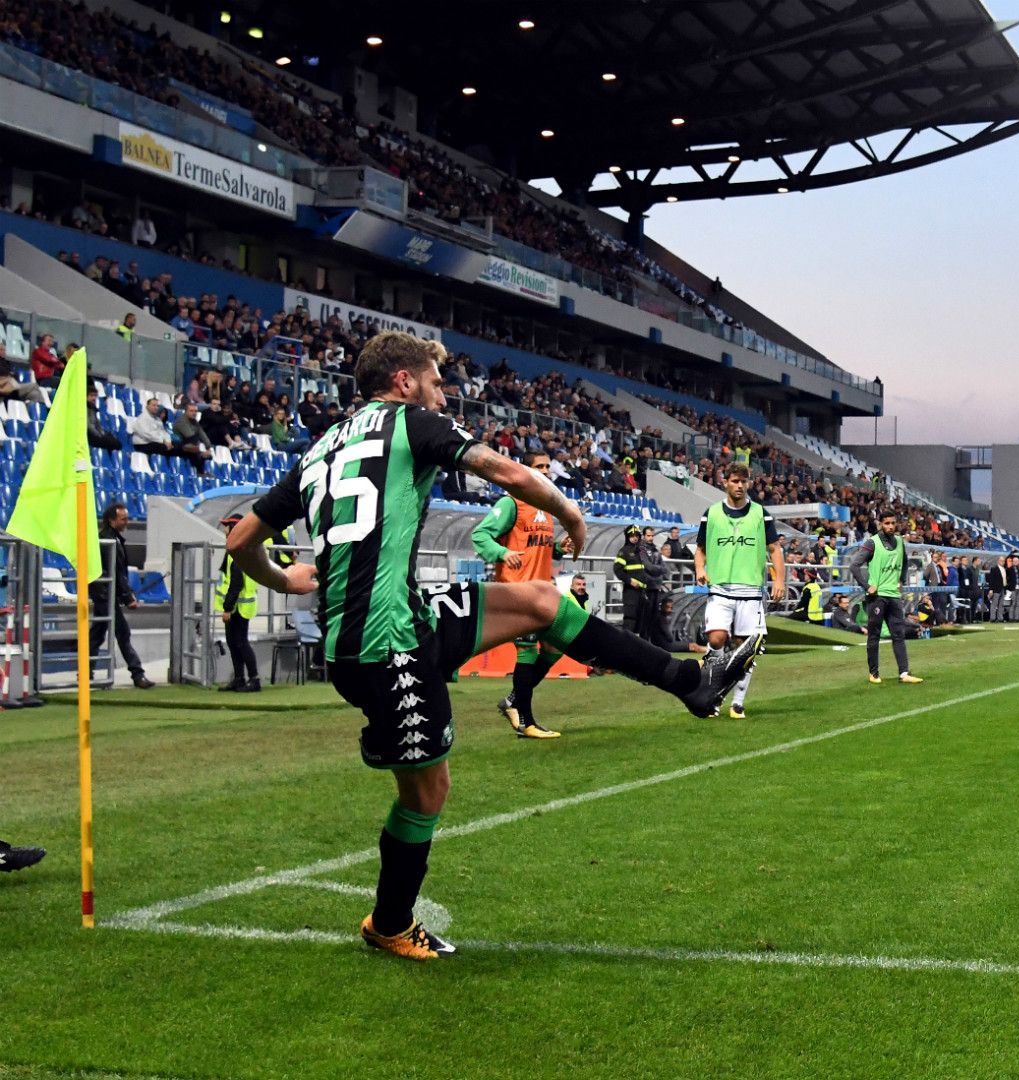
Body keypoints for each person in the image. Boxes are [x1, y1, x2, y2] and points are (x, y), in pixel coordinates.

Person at [226, 331, 759, 961]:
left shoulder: (322, 447)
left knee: (541, 603)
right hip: (382, 647)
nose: (441, 391)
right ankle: (390, 924)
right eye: (434, 379)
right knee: (427, 793)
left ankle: (693, 685)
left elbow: (240, 541)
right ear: (404, 382)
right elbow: (502, 471)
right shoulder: (410, 421)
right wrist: (570, 515)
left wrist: (285, 578)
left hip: (404, 619)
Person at [471, 451, 569, 739]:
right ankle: (526, 722)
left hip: (541, 592)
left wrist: (561, 547)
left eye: (548, 466)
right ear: (525, 470)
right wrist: (502, 552)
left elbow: (541, 547)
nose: (546, 470)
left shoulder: (546, 509)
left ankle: (513, 700)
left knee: (555, 648)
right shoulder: (510, 502)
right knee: (527, 651)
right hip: (517, 592)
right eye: (540, 466)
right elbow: (480, 535)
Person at [692, 461, 785, 719]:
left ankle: (738, 703)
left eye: (743, 481)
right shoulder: (711, 514)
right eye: (735, 481)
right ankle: (713, 694)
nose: (739, 485)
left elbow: (775, 549)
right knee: (716, 639)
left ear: (749, 484)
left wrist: (779, 581)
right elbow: (700, 550)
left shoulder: (760, 513)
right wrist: (700, 569)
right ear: (725, 482)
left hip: (751, 590)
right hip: (720, 588)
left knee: (745, 648)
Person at [846, 509, 921, 684]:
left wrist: (902, 580)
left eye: (893, 523)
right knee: (874, 636)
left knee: (899, 634)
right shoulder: (872, 543)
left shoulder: (900, 542)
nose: (890, 526)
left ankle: (904, 673)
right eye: (886, 523)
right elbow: (854, 566)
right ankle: (874, 673)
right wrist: (867, 586)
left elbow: (904, 563)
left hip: (894, 596)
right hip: (877, 597)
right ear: (880, 524)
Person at [90, 503, 154, 689]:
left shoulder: (113, 539)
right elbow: (116, 572)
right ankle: (137, 674)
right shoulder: (108, 541)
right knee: (122, 633)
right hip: (105, 595)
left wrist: (126, 594)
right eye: (123, 518)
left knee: (97, 634)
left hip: (105, 594)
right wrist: (128, 598)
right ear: (111, 520)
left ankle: (86, 671)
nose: (127, 521)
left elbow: (118, 573)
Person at [216, 514, 262, 692]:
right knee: (234, 642)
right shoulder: (238, 549)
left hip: (239, 607)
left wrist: (228, 607)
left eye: (227, 526)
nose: (224, 530)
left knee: (241, 643)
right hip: (238, 606)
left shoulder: (238, 550)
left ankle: (254, 679)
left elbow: (236, 583)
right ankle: (239, 678)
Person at [614, 525, 663, 641]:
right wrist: (630, 580)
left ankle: (639, 648)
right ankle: (625, 646)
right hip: (631, 591)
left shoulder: (640, 551)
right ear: (627, 537)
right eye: (632, 536)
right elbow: (617, 570)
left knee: (642, 620)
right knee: (630, 619)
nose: (634, 538)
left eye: (636, 535)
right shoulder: (624, 551)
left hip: (642, 591)